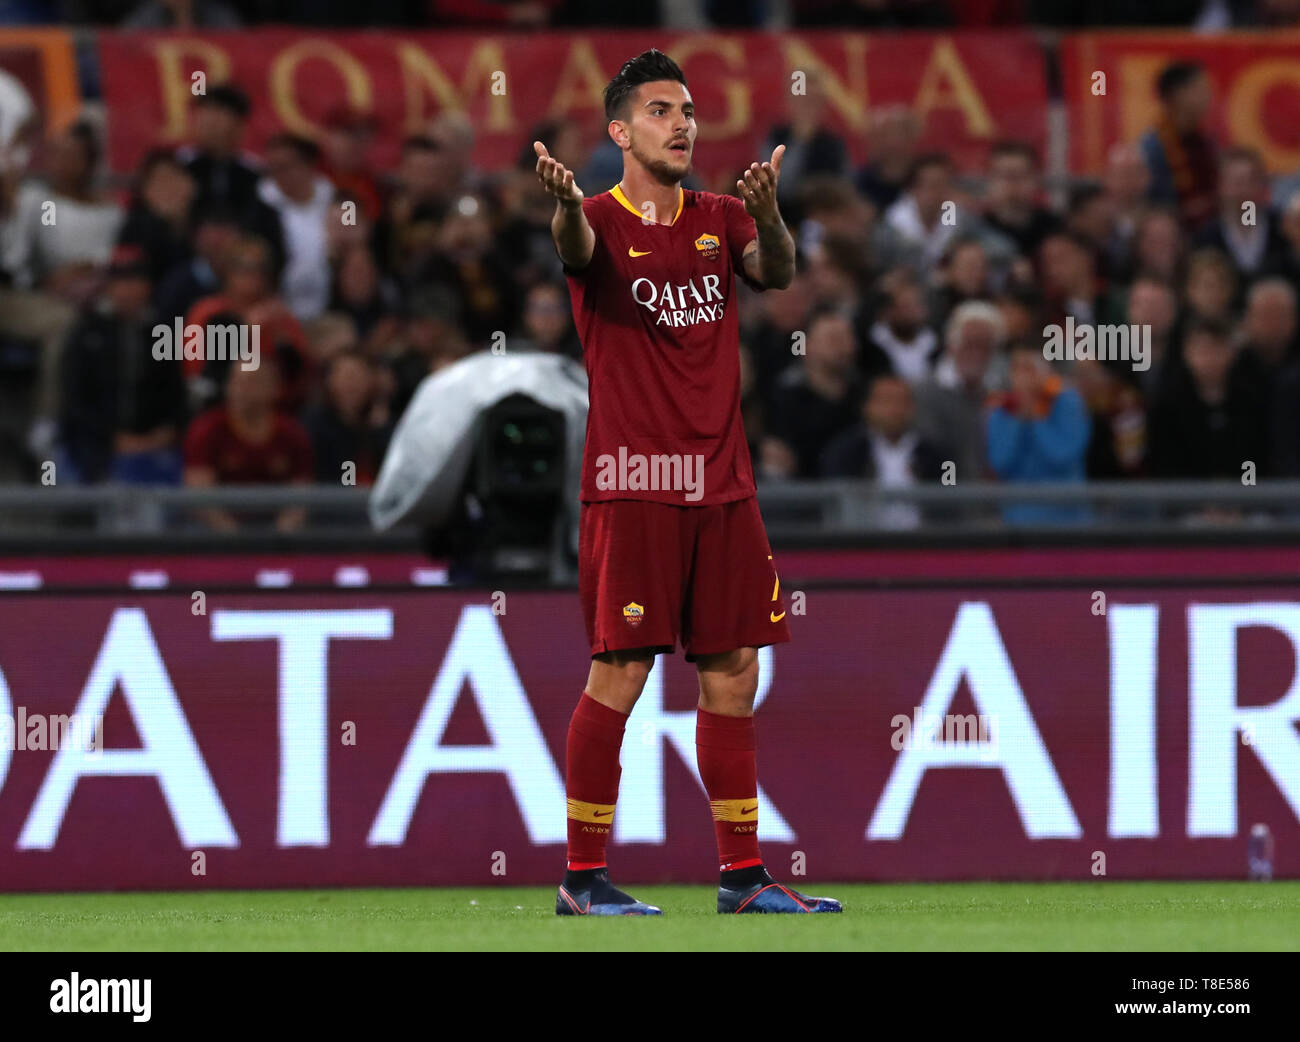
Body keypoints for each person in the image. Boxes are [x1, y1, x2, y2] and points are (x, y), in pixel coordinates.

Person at [534, 49, 840, 916]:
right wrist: (562, 206)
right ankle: (582, 878)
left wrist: (773, 216)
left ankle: (742, 877)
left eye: (689, 110)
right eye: (663, 111)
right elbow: (575, 246)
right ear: (622, 132)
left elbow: (776, 274)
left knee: (733, 672)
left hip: (723, 486)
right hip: (635, 484)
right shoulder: (592, 215)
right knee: (622, 673)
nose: (683, 124)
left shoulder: (721, 216)